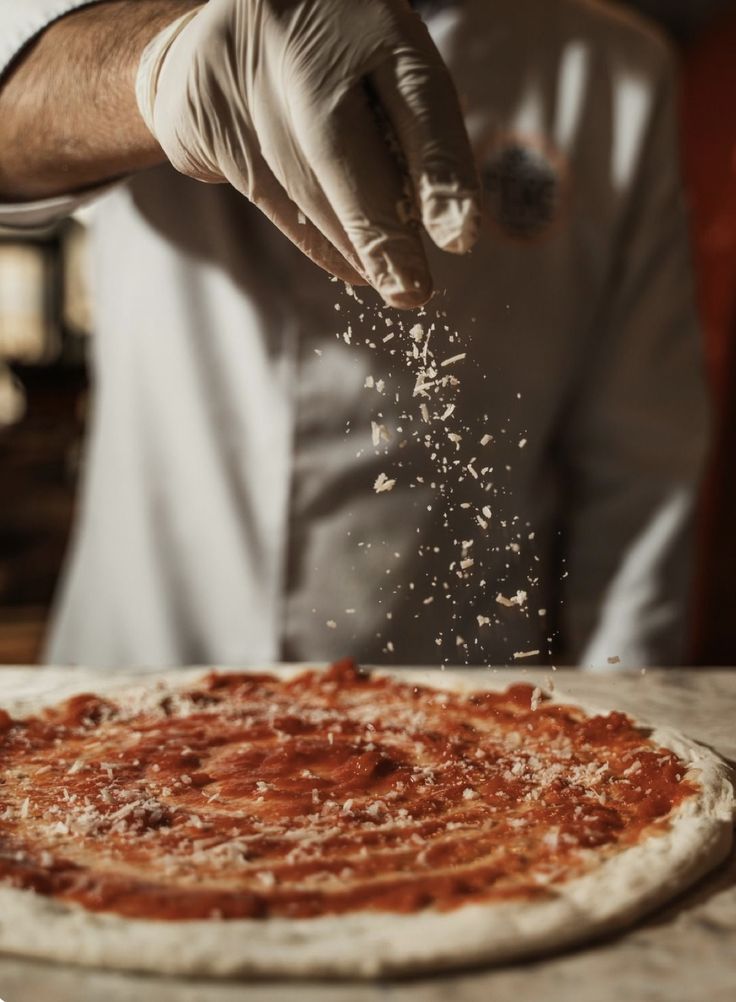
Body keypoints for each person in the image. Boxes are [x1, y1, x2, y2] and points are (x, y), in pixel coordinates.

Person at [0, 0, 709, 669]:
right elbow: (17, 100)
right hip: (146, 653)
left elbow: (642, 459)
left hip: (460, 688)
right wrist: (158, 65)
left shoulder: (614, 71)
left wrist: (628, 698)